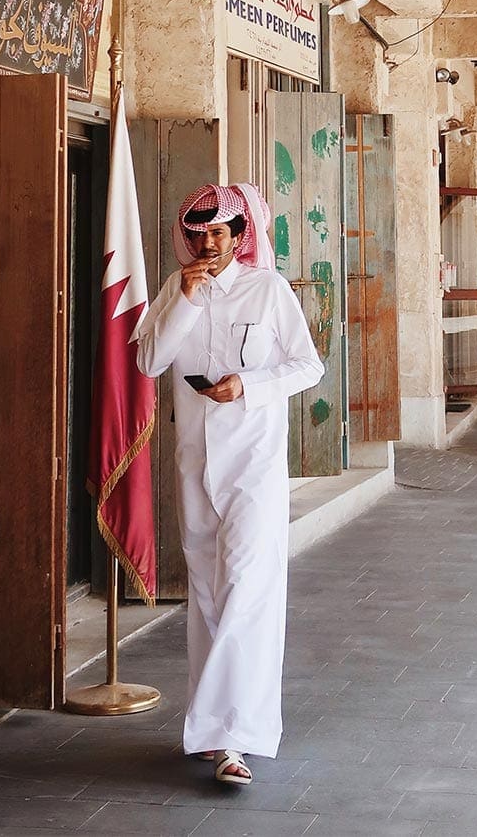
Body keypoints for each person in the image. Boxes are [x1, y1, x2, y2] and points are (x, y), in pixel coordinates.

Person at [136, 183, 324, 786]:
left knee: (247, 587)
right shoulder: (176, 288)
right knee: (210, 596)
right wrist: (185, 302)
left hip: (254, 466)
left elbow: (307, 365)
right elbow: (148, 361)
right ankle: (216, 733)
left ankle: (233, 736)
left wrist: (248, 386)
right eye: (199, 233)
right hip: (196, 464)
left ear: (242, 236)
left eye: (221, 232)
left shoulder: (268, 290)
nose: (209, 243)